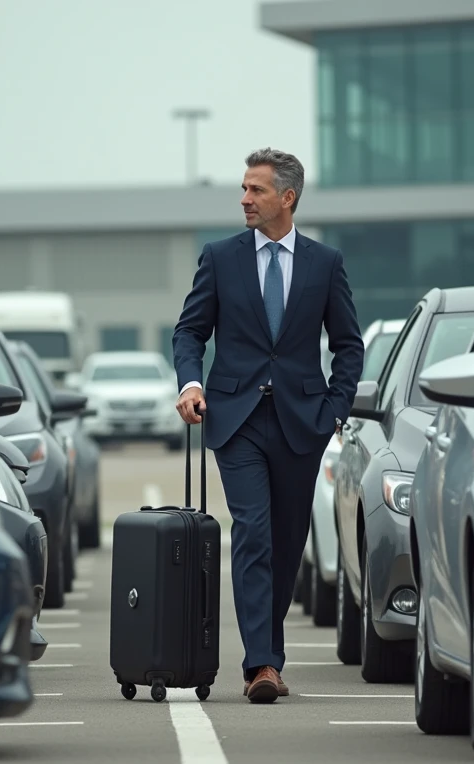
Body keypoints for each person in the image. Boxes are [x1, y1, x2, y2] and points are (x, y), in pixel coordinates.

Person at [171, 147, 363, 704]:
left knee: (286, 544)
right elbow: (189, 333)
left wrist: (336, 409)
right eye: (243, 188)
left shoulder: (325, 264)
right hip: (236, 420)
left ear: (288, 197)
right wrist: (190, 384)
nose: (244, 199)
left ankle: (267, 652)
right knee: (252, 533)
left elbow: (348, 347)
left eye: (255, 190)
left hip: (303, 423)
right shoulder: (220, 257)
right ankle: (262, 664)